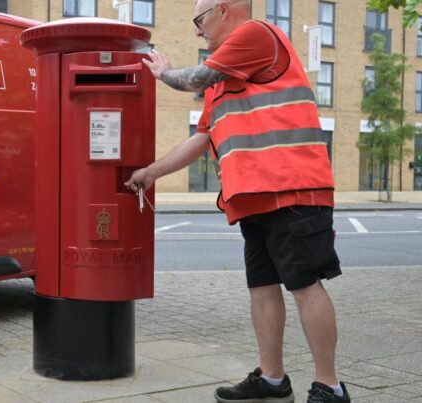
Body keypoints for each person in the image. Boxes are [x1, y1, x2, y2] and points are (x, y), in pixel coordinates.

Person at [124, 1, 350, 402]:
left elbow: (194, 76)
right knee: (262, 288)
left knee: (304, 286)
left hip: (293, 189)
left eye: (199, 20)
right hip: (251, 198)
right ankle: (272, 380)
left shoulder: (255, 35)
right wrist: (151, 172)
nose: (198, 31)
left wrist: (162, 71)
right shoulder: (223, 79)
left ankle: (330, 386)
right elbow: (201, 138)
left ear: (223, 10)